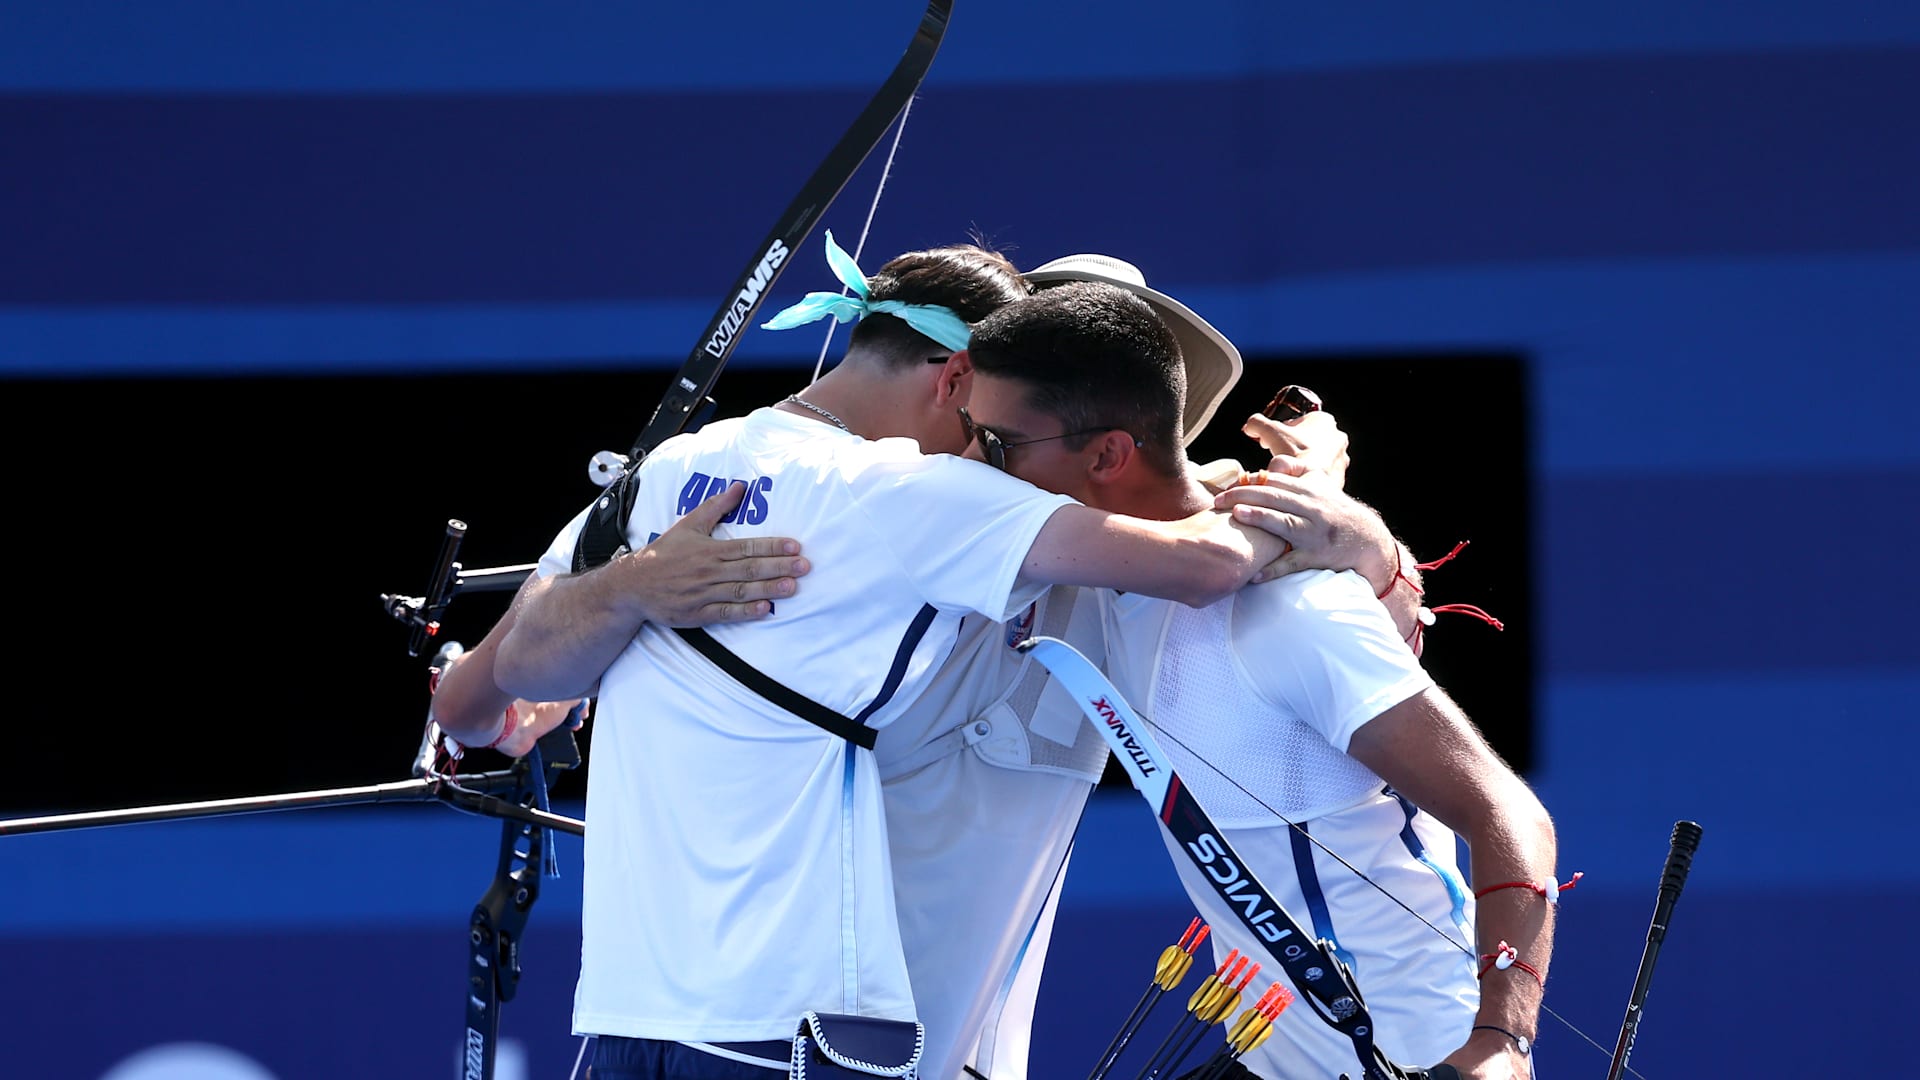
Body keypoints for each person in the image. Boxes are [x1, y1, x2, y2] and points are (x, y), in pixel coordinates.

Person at [486, 236, 1372, 1080]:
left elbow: (486, 689)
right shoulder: (916, 495)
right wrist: (1309, 489)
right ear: (964, 381)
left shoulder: (699, 469)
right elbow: (1206, 559)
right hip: (804, 1027)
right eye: (1001, 421)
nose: (993, 447)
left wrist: (621, 606)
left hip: (676, 1021)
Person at [959, 280, 1559, 1080]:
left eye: (997, 446)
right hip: (1272, 1058)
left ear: (1106, 455)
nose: (971, 463)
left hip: (1415, 1057)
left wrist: (1502, 1043)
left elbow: (1505, 811)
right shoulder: (1100, 563)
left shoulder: (1297, 610)